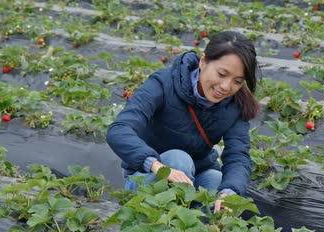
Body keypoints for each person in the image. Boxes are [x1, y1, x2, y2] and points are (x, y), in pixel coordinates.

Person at [106, 31, 260, 212]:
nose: (226, 86)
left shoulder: (236, 105)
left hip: (195, 175)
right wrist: (158, 166)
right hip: (147, 175)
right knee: (180, 161)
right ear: (203, 62)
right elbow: (119, 129)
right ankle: (158, 222)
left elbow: (238, 156)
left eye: (237, 81)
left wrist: (229, 192)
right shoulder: (163, 83)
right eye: (221, 74)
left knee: (218, 185)